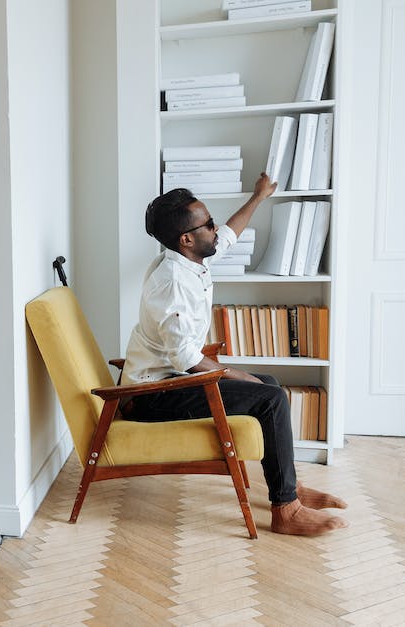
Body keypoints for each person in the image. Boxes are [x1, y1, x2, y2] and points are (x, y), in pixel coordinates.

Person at [120, 173, 348, 537]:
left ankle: (290, 488)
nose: (215, 228)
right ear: (187, 238)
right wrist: (235, 374)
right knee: (269, 396)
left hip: (173, 381)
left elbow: (228, 234)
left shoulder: (192, 258)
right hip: (152, 396)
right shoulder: (172, 282)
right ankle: (285, 510)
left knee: (270, 384)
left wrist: (259, 197)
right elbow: (183, 358)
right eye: (207, 223)